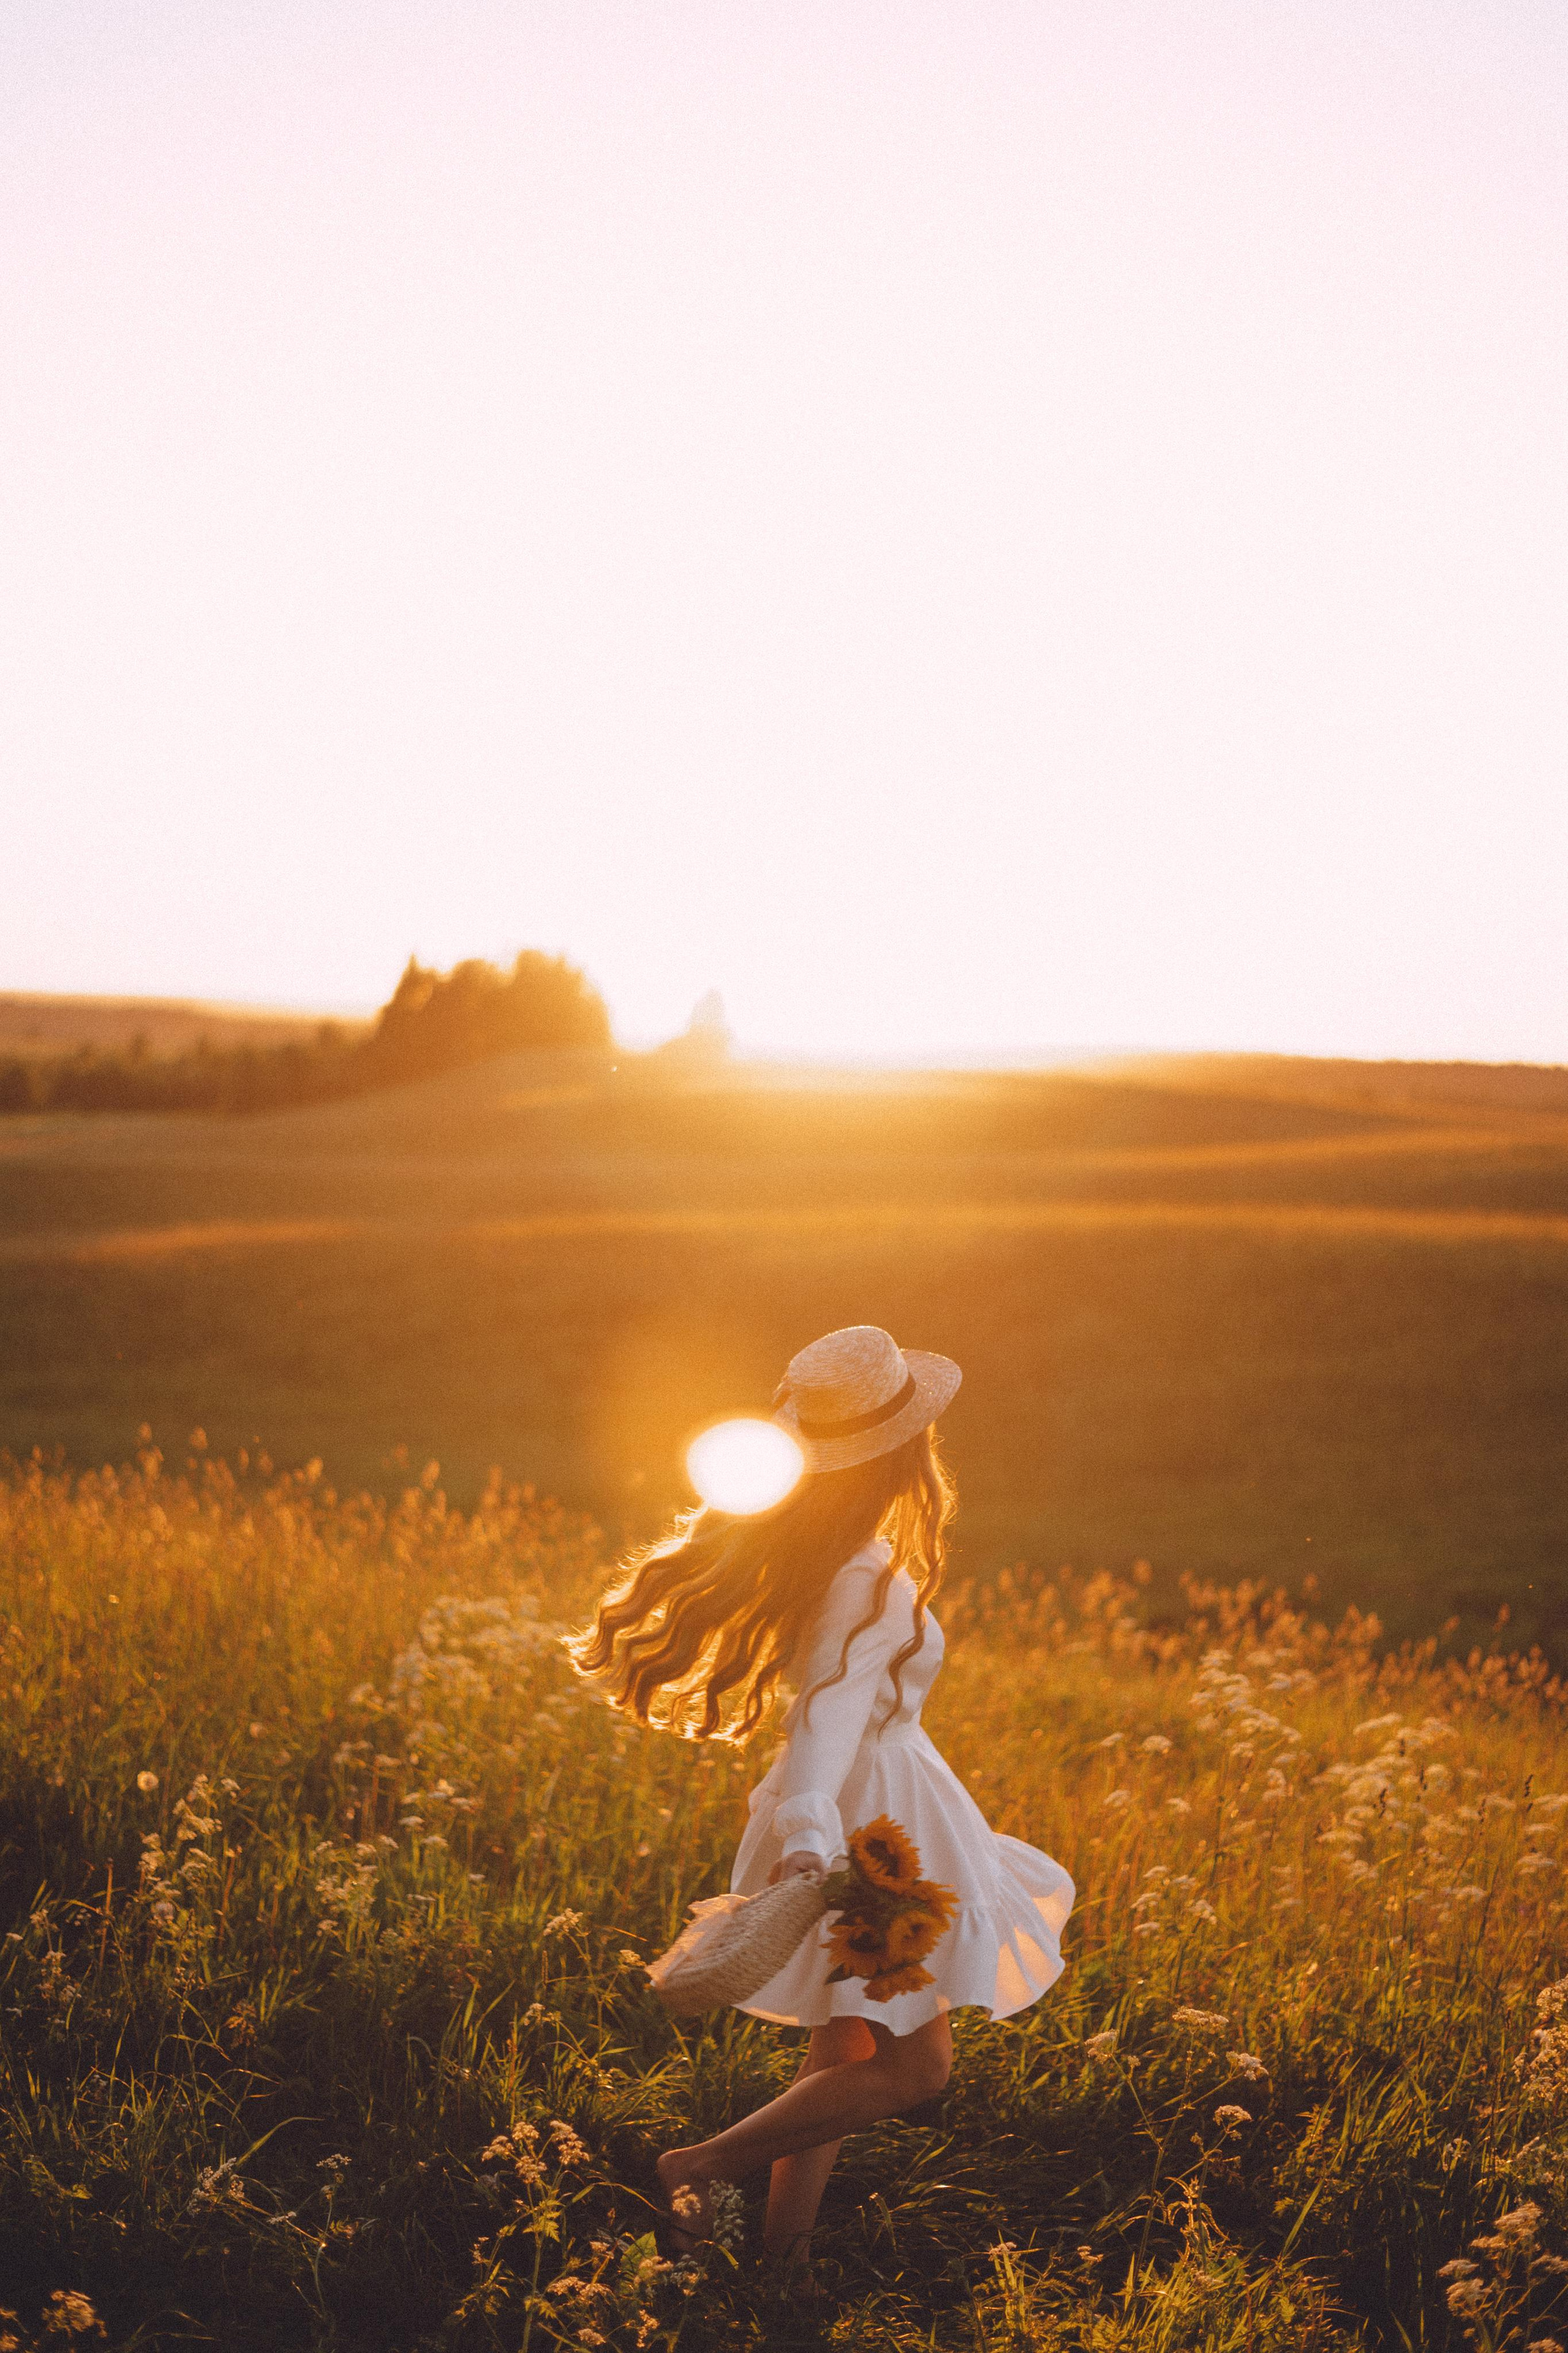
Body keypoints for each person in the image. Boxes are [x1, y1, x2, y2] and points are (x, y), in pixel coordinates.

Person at [568, 1325, 1074, 2273]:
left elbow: (825, 1713)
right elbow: (829, 1716)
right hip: (871, 1831)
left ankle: (782, 2262)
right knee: (916, 2069)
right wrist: (813, 1840)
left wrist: (806, 1825)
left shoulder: (837, 1552)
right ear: (906, 1448)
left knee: (844, 2054)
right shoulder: (868, 1578)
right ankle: (700, 2164)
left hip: (864, 1810)